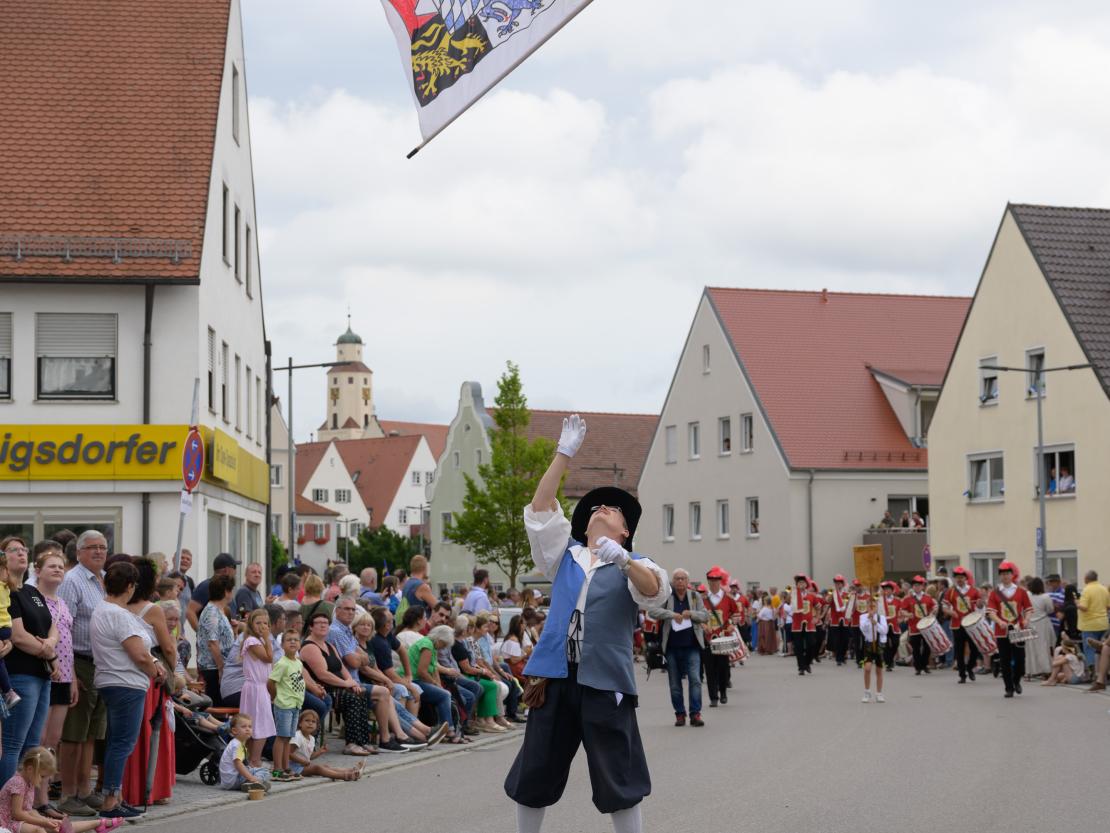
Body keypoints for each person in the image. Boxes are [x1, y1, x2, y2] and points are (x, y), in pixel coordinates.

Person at [504, 415, 668, 833]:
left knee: (619, 776)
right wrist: (563, 455)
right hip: (555, 677)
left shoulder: (637, 562)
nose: (601, 507)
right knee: (535, 771)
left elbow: (654, 592)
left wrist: (624, 560)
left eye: (611, 508)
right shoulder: (565, 554)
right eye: (596, 506)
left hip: (604, 681)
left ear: (626, 530)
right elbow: (541, 509)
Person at [91, 561, 165, 819]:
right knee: (122, 743)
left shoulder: (104, 609)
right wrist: (155, 669)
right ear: (131, 586)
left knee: (116, 742)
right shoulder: (118, 614)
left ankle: (115, 795)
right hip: (125, 682)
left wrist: (152, 661)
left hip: (112, 680)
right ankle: (111, 800)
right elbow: (139, 655)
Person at [56, 531, 109, 818]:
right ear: (79, 552)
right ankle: (66, 794)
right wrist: (71, 673)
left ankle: (83, 790)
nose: (99, 552)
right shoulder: (72, 581)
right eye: (92, 548)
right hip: (78, 662)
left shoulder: (101, 580)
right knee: (74, 733)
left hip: (99, 663)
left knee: (91, 733)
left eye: (103, 547)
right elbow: (63, 628)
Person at [0, 535, 58, 792]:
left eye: (24, 550)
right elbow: (18, 636)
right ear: (3, 558)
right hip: (20, 673)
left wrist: (49, 647)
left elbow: (51, 625)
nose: (21, 554)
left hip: (41, 673)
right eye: (14, 550)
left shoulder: (32, 591)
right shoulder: (6, 591)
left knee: (34, 743)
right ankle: (5, 805)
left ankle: (24, 802)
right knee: (14, 742)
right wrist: (47, 651)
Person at [120, 557, 177, 809]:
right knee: (152, 730)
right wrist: (174, 670)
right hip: (151, 673)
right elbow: (168, 646)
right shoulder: (152, 609)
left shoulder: (119, 606)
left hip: (124, 671)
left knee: (128, 732)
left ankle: (127, 787)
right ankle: (151, 788)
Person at [30, 545, 74, 819]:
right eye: (51, 566)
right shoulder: (34, 599)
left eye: (61, 566)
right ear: (38, 572)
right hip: (44, 673)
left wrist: (73, 680)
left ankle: (44, 798)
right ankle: (33, 798)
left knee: (53, 740)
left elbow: (67, 642)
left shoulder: (63, 602)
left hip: (65, 676)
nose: (58, 569)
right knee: (39, 738)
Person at [299, 611, 378, 756]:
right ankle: (351, 743)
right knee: (352, 698)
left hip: (338, 687)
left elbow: (342, 667)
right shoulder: (310, 646)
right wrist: (345, 684)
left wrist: (352, 682)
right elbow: (322, 674)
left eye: (326, 623)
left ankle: (362, 741)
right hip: (322, 689)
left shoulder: (328, 645)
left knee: (360, 693)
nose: (323, 625)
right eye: (319, 623)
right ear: (311, 627)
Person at [0, 747, 123, 833]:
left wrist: (46, 820)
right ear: (30, 769)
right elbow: (17, 813)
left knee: (58, 825)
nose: (43, 780)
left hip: (16, 820)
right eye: (42, 776)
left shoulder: (28, 781)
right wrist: (42, 823)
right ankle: (98, 824)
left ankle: (98, 824)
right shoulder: (18, 783)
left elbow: (28, 810)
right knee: (39, 830)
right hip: (6, 823)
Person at [648, 568, 708, 727]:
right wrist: (671, 614)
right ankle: (680, 714)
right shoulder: (667, 596)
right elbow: (652, 611)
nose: (680, 581)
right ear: (673, 582)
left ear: (688, 582)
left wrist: (692, 614)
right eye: (677, 579)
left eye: (683, 579)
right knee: (675, 683)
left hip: (692, 646)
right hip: (672, 647)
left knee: (695, 680)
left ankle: (695, 714)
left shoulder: (695, 596)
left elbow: (705, 616)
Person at [986, 562, 1033, 698]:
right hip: (1002, 631)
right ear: (1000, 576)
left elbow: (1028, 610)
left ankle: (1016, 680)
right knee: (1005, 660)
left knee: (1020, 659)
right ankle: (1009, 688)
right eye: (1003, 574)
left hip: (1018, 629)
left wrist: (1026, 619)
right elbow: (990, 612)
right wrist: (999, 621)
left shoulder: (1021, 592)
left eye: (1008, 573)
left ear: (1012, 575)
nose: (1005, 576)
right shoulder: (995, 594)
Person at [239, 609, 275, 768]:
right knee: (261, 723)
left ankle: (251, 759)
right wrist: (268, 640)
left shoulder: (258, 640)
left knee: (257, 723)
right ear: (251, 625)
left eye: (265, 623)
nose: (262, 626)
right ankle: (255, 760)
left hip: (261, 687)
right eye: (258, 623)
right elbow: (268, 658)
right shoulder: (252, 641)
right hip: (256, 688)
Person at [267, 630, 305, 781]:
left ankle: (285, 767)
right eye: (289, 640)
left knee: (288, 737)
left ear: (300, 644)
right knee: (281, 737)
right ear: (282, 645)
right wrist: (276, 697)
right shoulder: (282, 663)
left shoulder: (298, 662)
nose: (293, 642)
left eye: (296, 640)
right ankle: (277, 770)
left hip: (295, 704)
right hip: (284, 704)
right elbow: (270, 682)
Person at [701, 566, 739, 706]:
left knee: (723, 668)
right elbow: (697, 616)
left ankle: (722, 692)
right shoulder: (702, 599)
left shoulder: (728, 598)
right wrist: (702, 625)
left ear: (720, 581)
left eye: (716, 580)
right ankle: (713, 697)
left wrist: (732, 625)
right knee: (710, 669)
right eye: (711, 580)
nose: (713, 583)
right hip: (708, 639)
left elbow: (736, 614)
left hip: (723, 638)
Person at [195, 574, 236, 707]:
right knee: (217, 705)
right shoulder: (212, 612)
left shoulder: (219, 610)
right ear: (226, 592)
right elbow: (213, 642)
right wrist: (221, 667)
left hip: (218, 666)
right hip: (213, 668)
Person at [289, 711, 363, 781]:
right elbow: (289, 754)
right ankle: (344, 776)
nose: (310, 723)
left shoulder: (311, 738)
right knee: (318, 768)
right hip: (293, 768)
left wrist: (320, 751)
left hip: (303, 766)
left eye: (313, 721)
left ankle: (351, 770)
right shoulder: (297, 736)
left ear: (316, 726)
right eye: (307, 720)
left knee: (325, 767)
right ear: (300, 724)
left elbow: (310, 756)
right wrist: (302, 761)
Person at [942, 566, 981, 683]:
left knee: (975, 649)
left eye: (962, 577)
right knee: (959, 650)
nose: (959, 580)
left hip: (971, 624)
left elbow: (979, 606)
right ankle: (962, 674)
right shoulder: (951, 591)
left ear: (966, 578)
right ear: (954, 579)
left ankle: (970, 668)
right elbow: (944, 607)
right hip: (957, 624)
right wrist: (950, 612)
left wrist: (981, 603)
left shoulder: (974, 590)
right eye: (957, 577)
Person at [185, 553, 239, 630]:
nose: (236, 571)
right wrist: (201, 634)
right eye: (234, 567)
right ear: (227, 570)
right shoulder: (207, 586)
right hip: (212, 640)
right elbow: (190, 611)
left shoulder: (227, 587)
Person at [218, 714, 270, 792]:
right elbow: (238, 764)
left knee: (254, 770)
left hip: (228, 781)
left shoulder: (237, 743)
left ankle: (254, 783)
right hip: (234, 780)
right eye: (244, 727)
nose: (247, 729)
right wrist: (252, 778)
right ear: (234, 731)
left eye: (250, 726)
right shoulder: (237, 745)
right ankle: (253, 783)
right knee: (264, 771)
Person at [900, 575, 936, 676]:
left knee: (927, 647)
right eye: (915, 585)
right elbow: (902, 610)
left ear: (923, 586)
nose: (917, 587)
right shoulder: (908, 599)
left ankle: (924, 665)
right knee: (915, 648)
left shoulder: (928, 598)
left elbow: (934, 607)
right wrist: (908, 614)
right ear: (913, 587)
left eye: (919, 585)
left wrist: (933, 612)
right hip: (914, 626)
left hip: (926, 626)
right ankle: (918, 667)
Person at [1077, 570, 1109, 669]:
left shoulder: (1087, 590)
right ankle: (1103, 671)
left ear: (1086, 579)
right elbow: (1108, 606)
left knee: (1089, 648)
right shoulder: (1104, 589)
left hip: (1089, 625)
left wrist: (1076, 604)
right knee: (1102, 649)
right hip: (1103, 623)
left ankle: (1092, 670)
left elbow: (1084, 607)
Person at [790, 575, 821, 675]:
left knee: (812, 644)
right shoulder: (793, 595)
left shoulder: (811, 595)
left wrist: (817, 617)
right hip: (797, 624)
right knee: (798, 647)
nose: (801, 585)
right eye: (799, 583)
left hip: (809, 624)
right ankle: (801, 667)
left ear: (806, 584)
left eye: (803, 583)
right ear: (797, 585)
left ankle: (807, 663)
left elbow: (818, 607)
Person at [1026, 577, 1056, 678]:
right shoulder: (1045, 597)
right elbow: (1050, 609)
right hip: (1043, 623)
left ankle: (1031, 670)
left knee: (1031, 648)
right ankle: (1046, 669)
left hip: (1030, 622)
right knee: (1044, 646)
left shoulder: (1028, 596)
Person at [859, 598, 887, 703]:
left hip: (879, 644)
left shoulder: (882, 618)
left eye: (873, 605)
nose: (871, 607)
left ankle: (879, 693)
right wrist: (868, 618)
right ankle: (867, 692)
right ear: (867, 606)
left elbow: (884, 630)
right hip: (869, 644)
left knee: (879, 670)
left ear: (876, 606)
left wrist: (875, 623)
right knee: (867, 668)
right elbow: (864, 629)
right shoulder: (862, 617)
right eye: (869, 605)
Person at [878, 582, 902, 672]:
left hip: (895, 625)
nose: (886, 591)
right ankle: (888, 663)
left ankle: (890, 659)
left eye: (888, 589)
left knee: (896, 643)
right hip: (884, 625)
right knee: (885, 645)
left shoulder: (898, 600)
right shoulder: (880, 600)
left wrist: (901, 618)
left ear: (892, 590)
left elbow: (901, 611)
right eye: (885, 589)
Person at [828, 575, 850, 665]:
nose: (838, 585)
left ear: (842, 584)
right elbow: (827, 601)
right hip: (835, 620)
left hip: (845, 619)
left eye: (839, 583)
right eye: (836, 583)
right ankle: (838, 658)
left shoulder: (846, 594)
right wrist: (831, 595)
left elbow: (849, 605)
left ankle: (843, 655)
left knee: (845, 640)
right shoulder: (832, 593)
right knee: (836, 640)